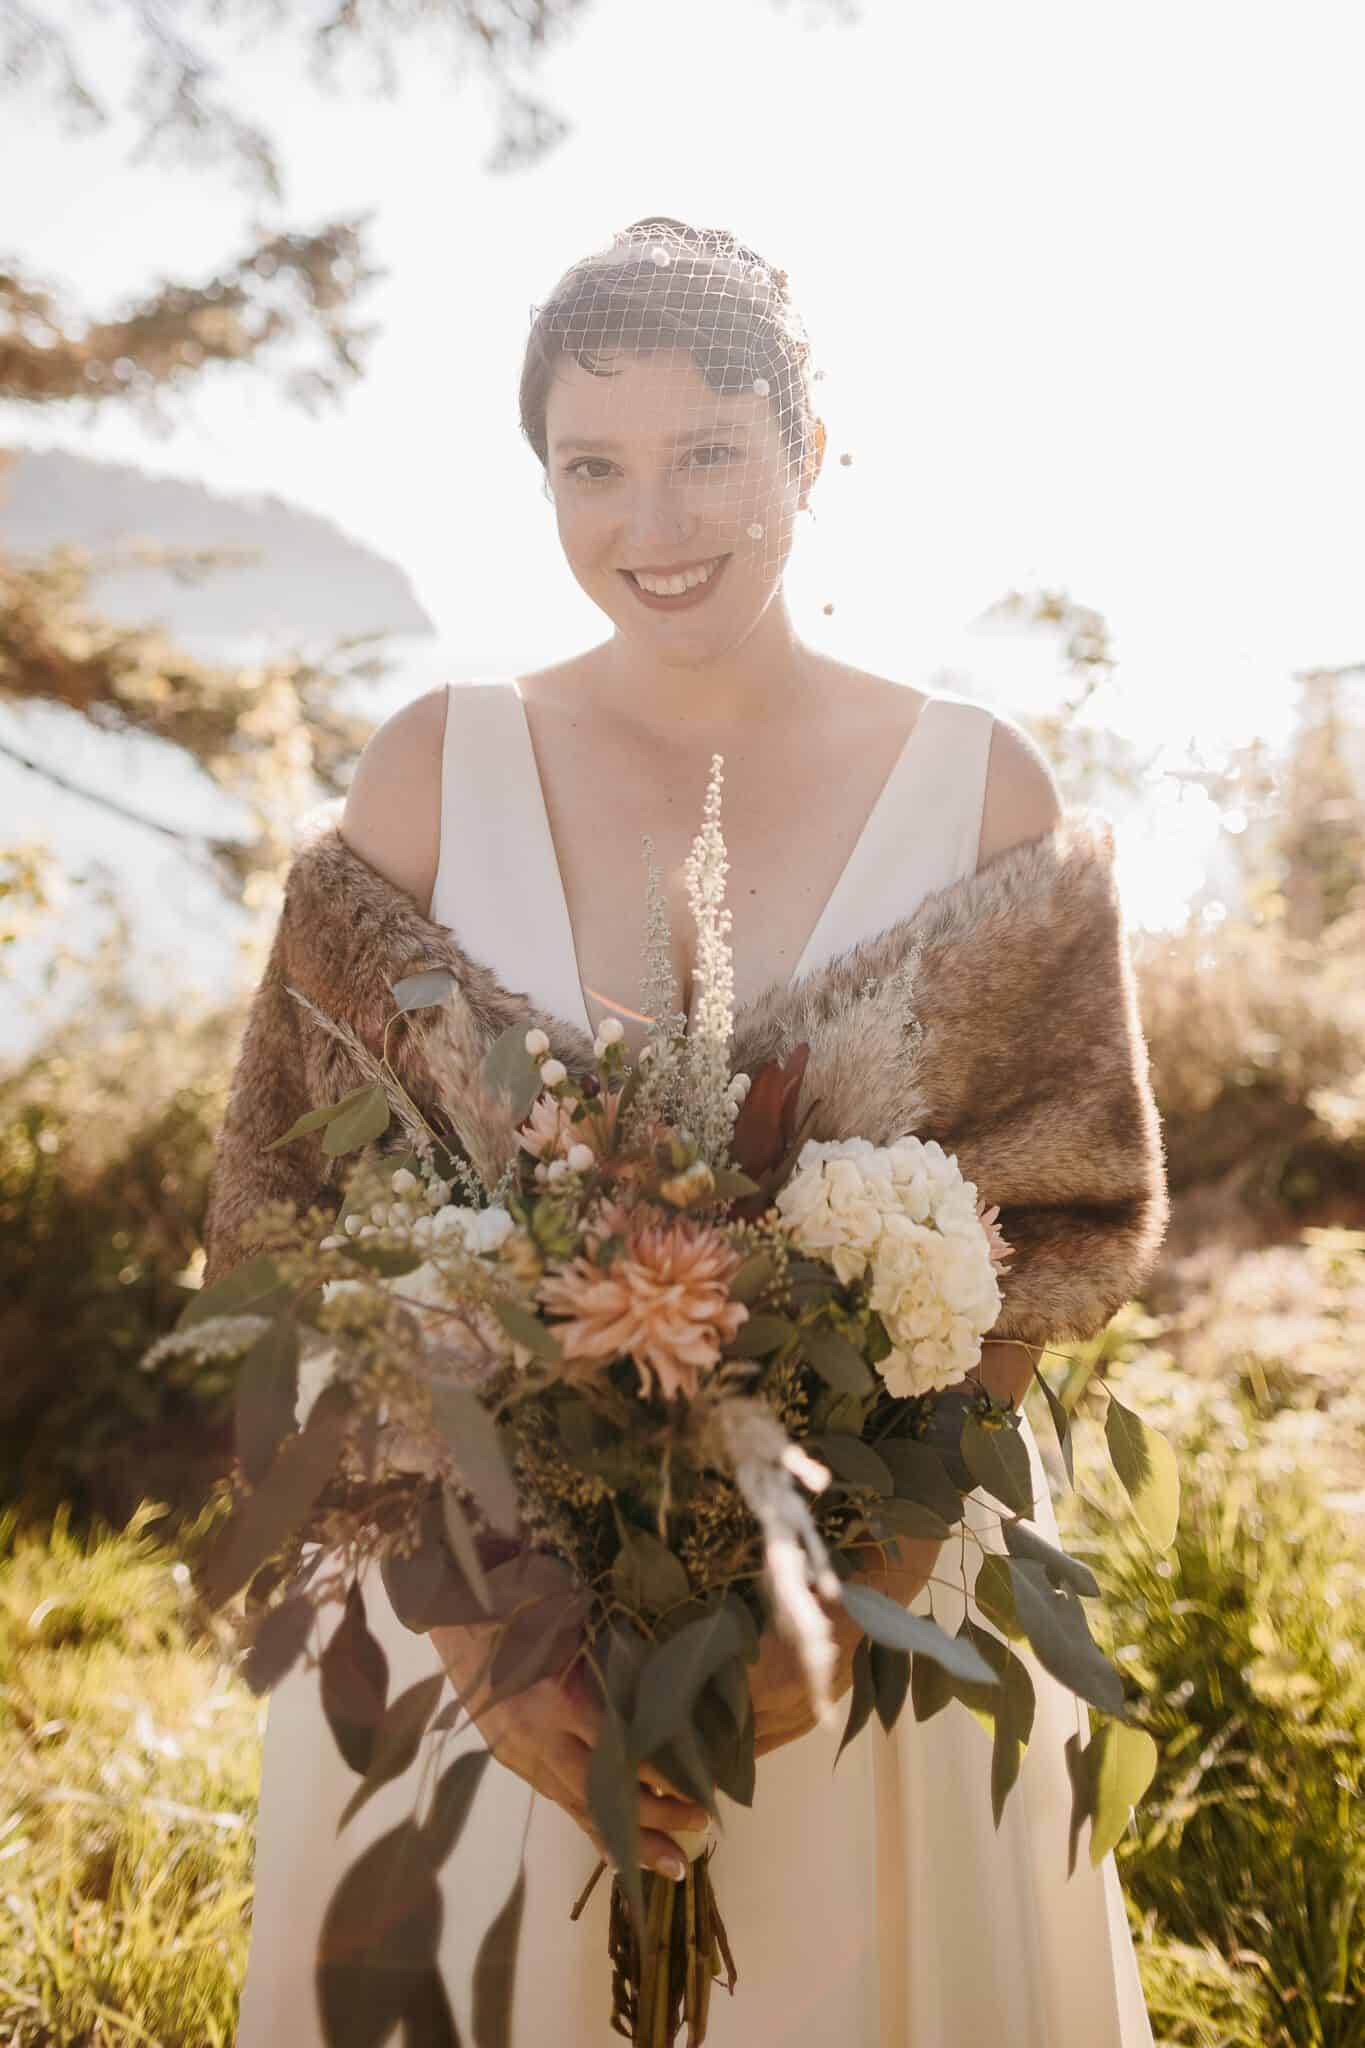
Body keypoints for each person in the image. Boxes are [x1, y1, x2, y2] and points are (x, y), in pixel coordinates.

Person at [236, 217, 1156, 2044]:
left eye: (709, 453)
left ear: (812, 451)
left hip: (863, 1662)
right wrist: (485, 1644)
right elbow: (298, 1218)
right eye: (593, 467)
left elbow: (1056, 1229)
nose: (651, 526)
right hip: (479, 1631)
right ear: (543, 480)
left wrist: (849, 1602)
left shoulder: (981, 790)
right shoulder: (430, 774)